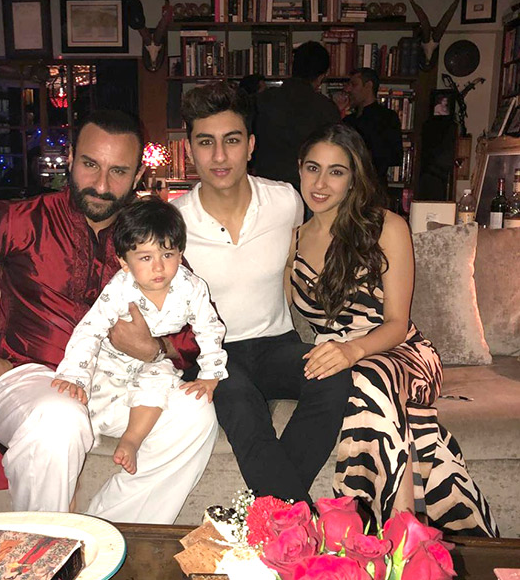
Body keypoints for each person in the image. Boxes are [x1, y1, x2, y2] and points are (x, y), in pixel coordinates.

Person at [0, 109, 218, 524]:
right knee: (59, 416)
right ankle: (49, 548)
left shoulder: (147, 239)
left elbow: (194, 324)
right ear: (70, 158)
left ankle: (105, 533)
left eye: (118, 171)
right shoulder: (20, 220)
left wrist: (155, 347)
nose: (101, 185)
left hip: (118, 383)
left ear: (138, 175)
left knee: (196, 413)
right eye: (90, 164)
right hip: (28, 377)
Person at [288, 122, 498, 536]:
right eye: (313, 168)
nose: (321, 183)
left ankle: (370, 531)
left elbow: (397, 324)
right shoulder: (292, 240)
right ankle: (405, 535)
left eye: (336, 171)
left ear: (354, 178)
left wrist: (350, 351)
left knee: (365, 378)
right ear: (299, 169)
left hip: (403, 352)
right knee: (357, 380)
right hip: (343, 360)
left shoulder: (386, 227)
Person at [173, 82, 352, 506]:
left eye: (232, 141)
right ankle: (293, 522)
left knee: (334, 378)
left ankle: (270, 514)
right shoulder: (173, 221)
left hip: (277, 345)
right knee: (238, 400)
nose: (220, 156)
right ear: (190, 150)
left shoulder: (285, 201)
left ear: (251, 145)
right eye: (206, 142)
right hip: (213, 354)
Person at [52, 197, 228, 476]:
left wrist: (210, 374)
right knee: (79, 407)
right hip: (112, 361)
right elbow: (90, 329)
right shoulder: (120, 289)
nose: (158, 267)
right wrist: (74, 375)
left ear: (180, 253)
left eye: (167, 255)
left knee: (160, 379)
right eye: (146, 258)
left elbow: (209, 328)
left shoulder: (191, 287)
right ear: (124, 262)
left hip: (154, 361)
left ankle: (132, 439)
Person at [253, 41, 340, 190]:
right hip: (309, 188)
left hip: (266, 185)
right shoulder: (326, 108)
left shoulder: (261, 100)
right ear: (321, 77)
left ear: (292, 66)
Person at [343, 68, 403, 189]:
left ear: (368, 86)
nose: (348, 90)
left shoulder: (387, 117)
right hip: (348, 185)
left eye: (354, 85)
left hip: (375, 187)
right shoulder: (348, 120)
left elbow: (395, 156)